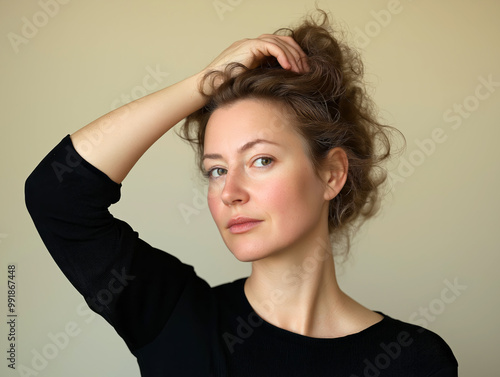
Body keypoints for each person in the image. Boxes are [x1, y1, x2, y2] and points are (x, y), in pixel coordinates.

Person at [25, 10, 457, 377]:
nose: (230, 191)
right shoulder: (176, 319)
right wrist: (204, 82)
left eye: (261, 160)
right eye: (216, 169)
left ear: (331, 174)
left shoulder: (415, 359)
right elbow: (56, 194)